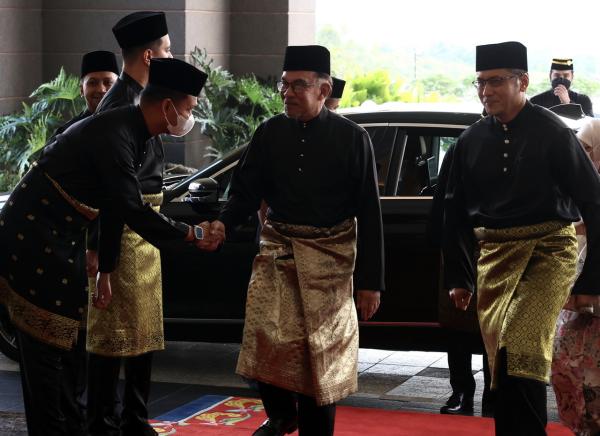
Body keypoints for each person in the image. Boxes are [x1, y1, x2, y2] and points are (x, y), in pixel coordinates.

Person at [0, 57, 209, 436]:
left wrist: (106, 271)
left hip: (60, 239)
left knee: (65, 349)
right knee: (48, 353)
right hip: (32, 240)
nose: (189, 118)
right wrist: (192, 234)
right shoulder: (117, 133)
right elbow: (132, 209)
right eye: (189, 108)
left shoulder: (134, 132)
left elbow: (114, 206)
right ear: (167, 106)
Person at [204, 45, 384, 436]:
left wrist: (370, 283)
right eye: (284, 85)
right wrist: (223, 224)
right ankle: (283, 415)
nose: (287, 93)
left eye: (298, 85)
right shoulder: (269, 133)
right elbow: (245, 192)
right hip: (278, 251)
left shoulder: (353, 138)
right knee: (261, 336)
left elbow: (370, 213)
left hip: (331, 261)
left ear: (323, 90)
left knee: (318, 357)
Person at [437, 41, 600, 435]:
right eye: (480, 82)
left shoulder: (554, 133)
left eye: (495, 81)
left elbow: (594, 203)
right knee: (503, 360)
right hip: (494, 259)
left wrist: (591, 280)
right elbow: (453, 213)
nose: (485, 91)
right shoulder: (470, 140)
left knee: (522, 349)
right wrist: (459, 276)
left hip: (549, 253)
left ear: (522, 82)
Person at [84, 11, 175, 436]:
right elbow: (107, 194)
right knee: (111, 337)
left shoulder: (144, 97)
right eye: (167, 50)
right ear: (149, 56)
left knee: (142, 334)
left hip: (144, 228)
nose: (170, 56)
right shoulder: (120, 104)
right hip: (122, 229)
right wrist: (100, 257)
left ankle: (135, 420)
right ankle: (103, 423)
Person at [551, 118, 600, 436]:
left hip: (591, 287)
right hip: (572, 283)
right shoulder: (574, 185)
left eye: (586, 149)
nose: (579, 157)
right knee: (564, 365)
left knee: (591, 373)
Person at [52, 50, 119, 137]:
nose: (101, 89)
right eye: (92, 83)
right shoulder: (67, 133)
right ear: (81, 90)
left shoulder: (131, 124)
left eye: (108, 82)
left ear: (119, 87)